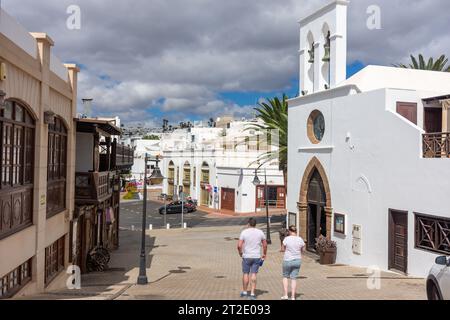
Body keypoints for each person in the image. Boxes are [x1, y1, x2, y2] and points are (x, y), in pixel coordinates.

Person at [237, 218, 268, 300]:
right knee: (254, 274)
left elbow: (239, 245)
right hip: (256, 256)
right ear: (255, 224)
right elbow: (265, 245)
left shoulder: (244, 232)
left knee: (245, 273)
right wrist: (264, 254)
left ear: (248, 224)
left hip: (246, 256)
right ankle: (252, 293)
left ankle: (244, 291)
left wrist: (240, 253)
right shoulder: (260, 232)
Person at [281, 225, 305, 300]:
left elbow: (282, 248)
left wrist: (287, 250)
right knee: (294, 278)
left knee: (285, 277)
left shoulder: (286, 239)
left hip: (287, 260)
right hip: (297, 260)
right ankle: (293, 297)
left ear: (289, 231)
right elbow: (303, 249)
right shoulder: (300, 239)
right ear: (296, 231)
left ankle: (285, 295)